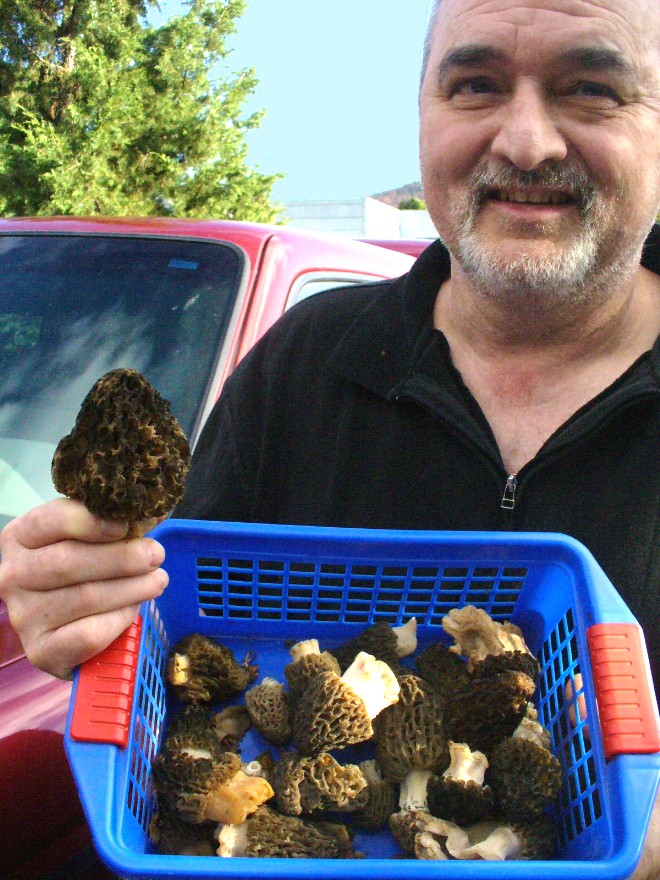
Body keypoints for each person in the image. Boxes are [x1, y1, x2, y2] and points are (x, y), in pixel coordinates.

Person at [0, 0, 658, 875]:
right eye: (475, 85)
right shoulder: (305, 363)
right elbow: (165, 629)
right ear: (424, 113)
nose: (527, 141)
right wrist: (80, 602)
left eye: (591, 89)